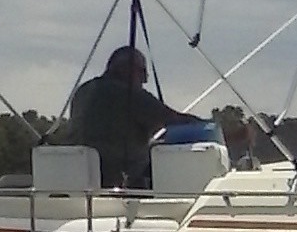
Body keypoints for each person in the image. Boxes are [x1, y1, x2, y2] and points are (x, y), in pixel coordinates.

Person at [67, 46, 203, 188]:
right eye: (142, 71)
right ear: (126, 69)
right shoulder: (128, 93)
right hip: (120, 178)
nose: (145, 80)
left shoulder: (83, 91)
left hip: (79, 178)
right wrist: (209, 126)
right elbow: (173, 120)